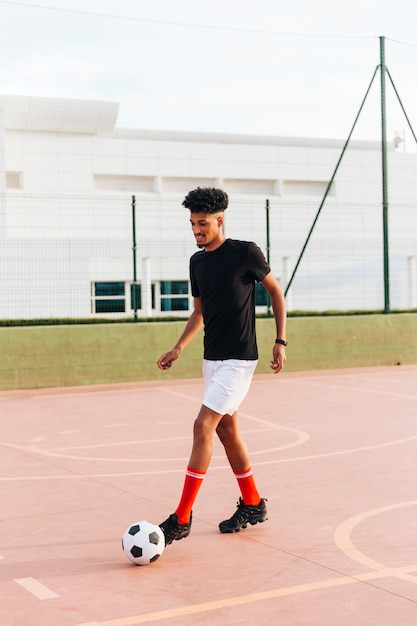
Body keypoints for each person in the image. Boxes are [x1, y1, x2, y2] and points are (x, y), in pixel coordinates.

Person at [157, 187, 287, 545]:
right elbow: (199, 311)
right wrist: (179, 347)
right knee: (227, 431)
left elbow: (275, 291)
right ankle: (252, 503)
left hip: (239, 358)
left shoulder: (245, 252)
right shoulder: (197, 262)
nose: (196, 230)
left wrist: (280, 340)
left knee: (203, 425)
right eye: (192, 224)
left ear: (220, 220)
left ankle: (181, 518)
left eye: (202, 223)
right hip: (211, 359)